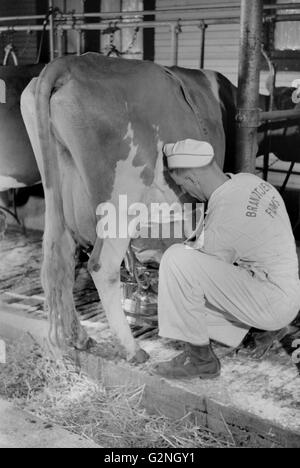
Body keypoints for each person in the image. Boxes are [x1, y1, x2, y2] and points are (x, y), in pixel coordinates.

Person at [154, 139, 300, 380]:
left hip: (271, 302)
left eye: (181, 185)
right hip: (287, 292)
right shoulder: (248, 181)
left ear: (192, 179)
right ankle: (261, 329)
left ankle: (200, 360)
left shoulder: (225, 215)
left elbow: (195, 273)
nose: (184, 192)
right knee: (186, 291)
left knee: (175, 262)